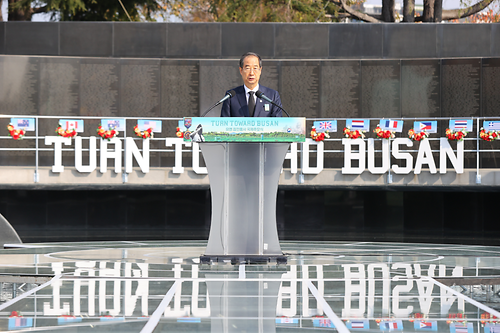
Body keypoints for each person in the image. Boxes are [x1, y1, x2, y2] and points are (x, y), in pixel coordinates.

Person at [221, 52, 283, 117]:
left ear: (260, 70)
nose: (251, 73)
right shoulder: (231, 96)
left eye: (255, 68)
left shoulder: (272, 95)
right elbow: (224, 123)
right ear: (241, 70)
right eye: (247, 68)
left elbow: (278, 123)